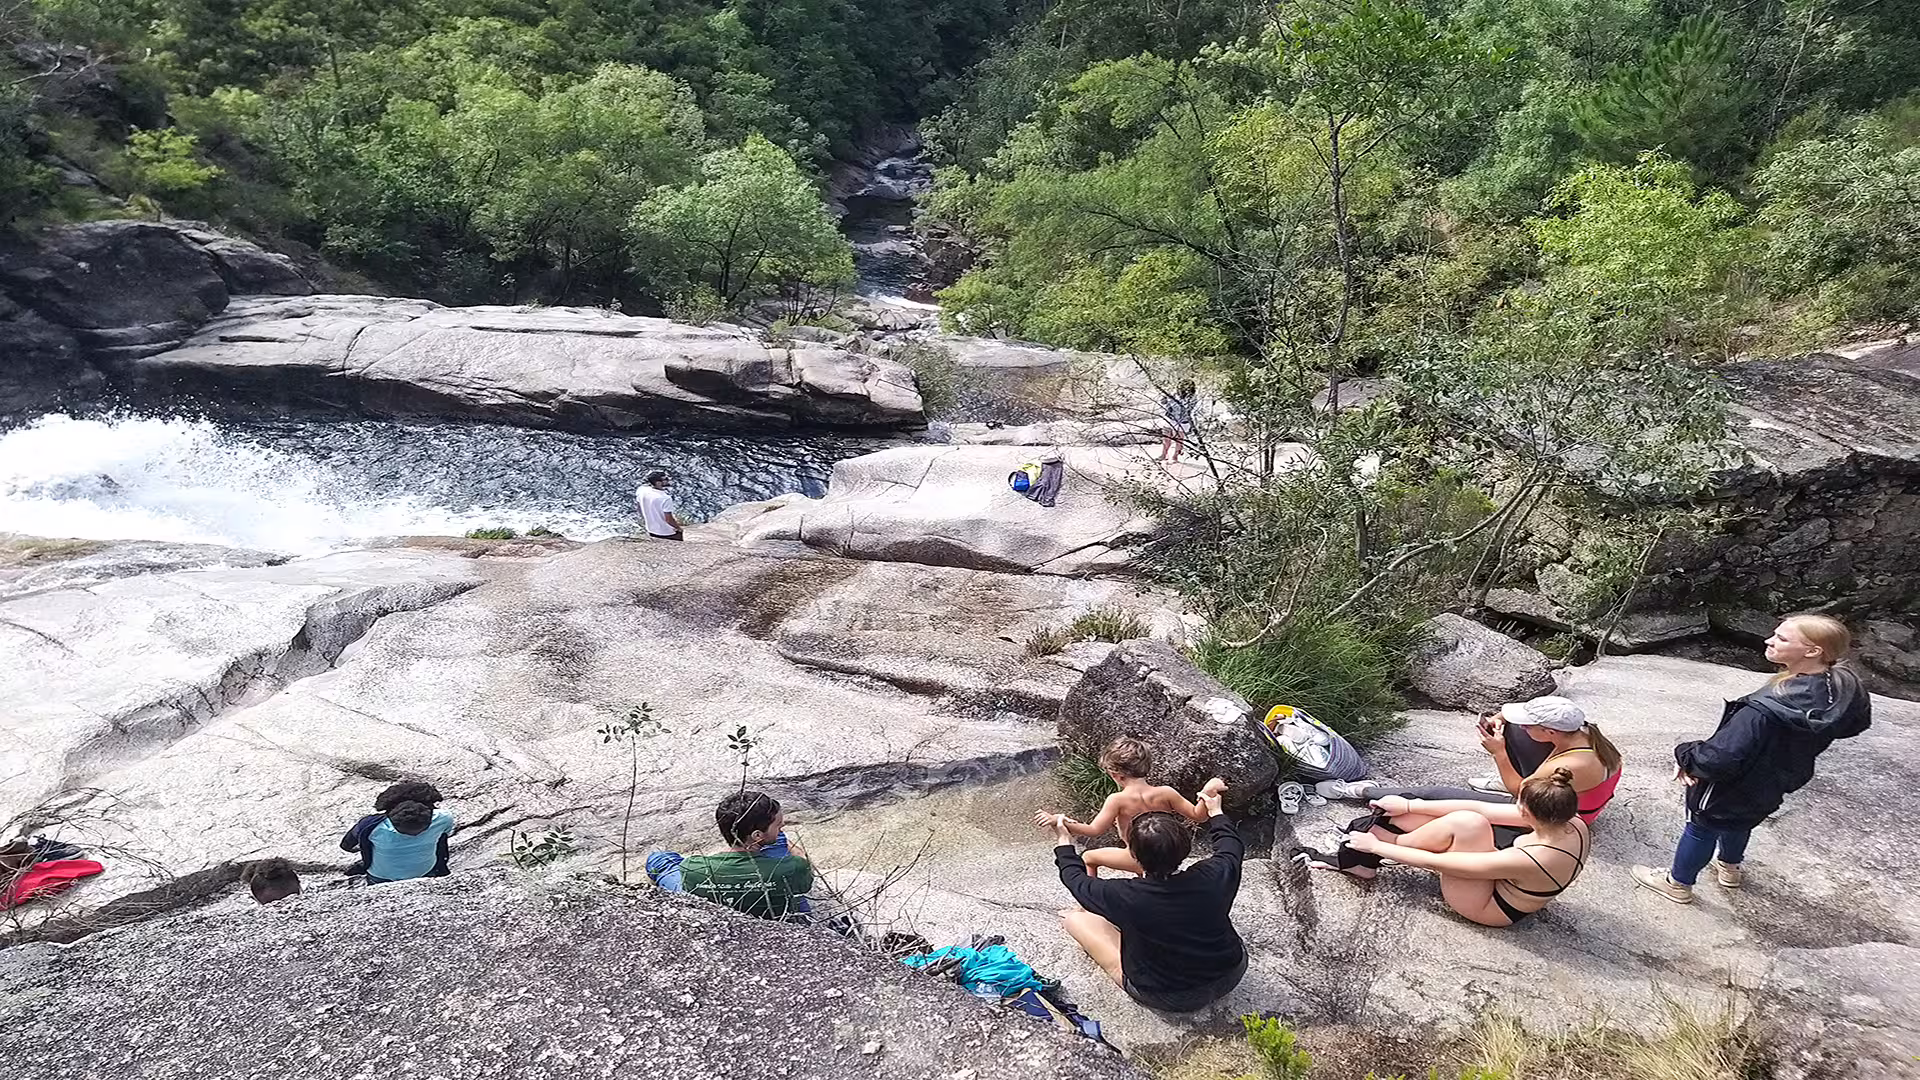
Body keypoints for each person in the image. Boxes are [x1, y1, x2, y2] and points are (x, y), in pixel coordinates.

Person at [1632, 614, 1872, 903]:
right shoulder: (1844, 687)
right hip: (1779, 776)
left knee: (1701, 825)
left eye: (1782, 638)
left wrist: (1685, 755)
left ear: (1812, 651)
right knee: (1742, 820)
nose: (1769, 640)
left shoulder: (1763, 711)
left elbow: (1717, 759)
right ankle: (1730, 868)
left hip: (1733, 781)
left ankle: (1677, 883)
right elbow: (1856, 724)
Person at [1296, 768, 1590, 927]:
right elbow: (1481, 808)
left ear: (1527, 813)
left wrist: (1379, 846)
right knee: (1468, 821)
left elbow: (1443, 865)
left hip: (1490, 907)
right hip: (1508, 876)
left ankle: (1373, 851)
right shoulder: (1571, 821)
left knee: (1462, 824)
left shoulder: (1532, 857)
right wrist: (1411, 804)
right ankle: (1382, 843)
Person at [1050, 789, 1247, 1012]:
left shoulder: (1123, 895)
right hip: (1231, 972)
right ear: (1185, 847)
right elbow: (1231, 846)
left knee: (1076, 920)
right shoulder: (1215, 874)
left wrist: (1064, 841)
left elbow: (1075, 879)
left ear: (1133, 855)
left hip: (1167, 995)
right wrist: (1215, 811)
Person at [1322, 696, 1624, 831]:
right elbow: (1520, 723)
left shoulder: (1574, 766)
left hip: (1549, 814)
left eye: (1535, 726)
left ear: (1550, 732)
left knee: (1434, 795)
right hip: (1557, 792)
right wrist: (1500, 720)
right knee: (1514, 730)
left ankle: (1362, 791)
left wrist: (1499, 754)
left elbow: (1523, 795)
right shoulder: (1584, 731)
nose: (1526, 728)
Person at [1031, 737, 1228, 877]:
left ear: (1116, 774)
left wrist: (1060, 821)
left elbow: (1093, 831)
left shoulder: (1117, 800)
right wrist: (1208, 790)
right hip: (1167, 855)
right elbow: (1199, 816)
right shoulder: (1166, 792)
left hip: (1136, 856)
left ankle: (1086, 908)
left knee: (1089, 857)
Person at [647, 790, 814, 921]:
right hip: (776, 911)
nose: (783, 825)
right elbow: (802, 865)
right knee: (779, 841)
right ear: (757, 836)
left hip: (709, 889)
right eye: (778, 825)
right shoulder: (794, 868)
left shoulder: (692, 867)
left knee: (660, 859)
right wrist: (796, 851)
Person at [343, 781, 452, 878]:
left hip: (381, 874)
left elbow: (346, 845)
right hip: (425, 869)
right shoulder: (442, 818)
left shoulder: (372, 826)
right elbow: (444, 836)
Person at [637, 469, 684, 540]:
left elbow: (639, 508)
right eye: (665, 479)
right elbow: (668, 519)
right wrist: (678, 528)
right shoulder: (665, 498)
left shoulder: (641, 491)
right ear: (658, 483)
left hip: (651, 530)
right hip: (666, 532)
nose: (668, 480)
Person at [1159, 380, 1198, 463]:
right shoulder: (1174, 394)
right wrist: (1164, 400)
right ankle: (1163, 455)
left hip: (1183, 421)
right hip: (1170, 418)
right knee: (1166, 438)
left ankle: (1175, 457)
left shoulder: (1192, 398)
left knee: (1179, 439)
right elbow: (1165, 403)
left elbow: (1189, 409)